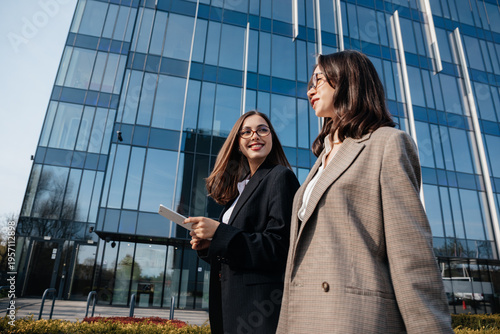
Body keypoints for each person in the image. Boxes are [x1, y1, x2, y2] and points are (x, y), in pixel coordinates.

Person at [276, 51, 453, 333]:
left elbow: (410, 253)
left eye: (318, 79)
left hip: (353, 318)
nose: (310, 89)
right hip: (303, 318)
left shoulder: (387, 143)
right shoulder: (321, 159)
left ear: (347, 81)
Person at [185, 110, 300, 334]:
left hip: (259, 310)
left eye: (262, 130)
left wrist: (219, 233)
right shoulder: (239, 191)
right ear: (238, 144)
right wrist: (210, 246)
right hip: (229, 304)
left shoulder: (280, 177)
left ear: (271, 138)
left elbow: (279, 247)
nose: (255, 136)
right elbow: (238, 251)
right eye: (246, 132)